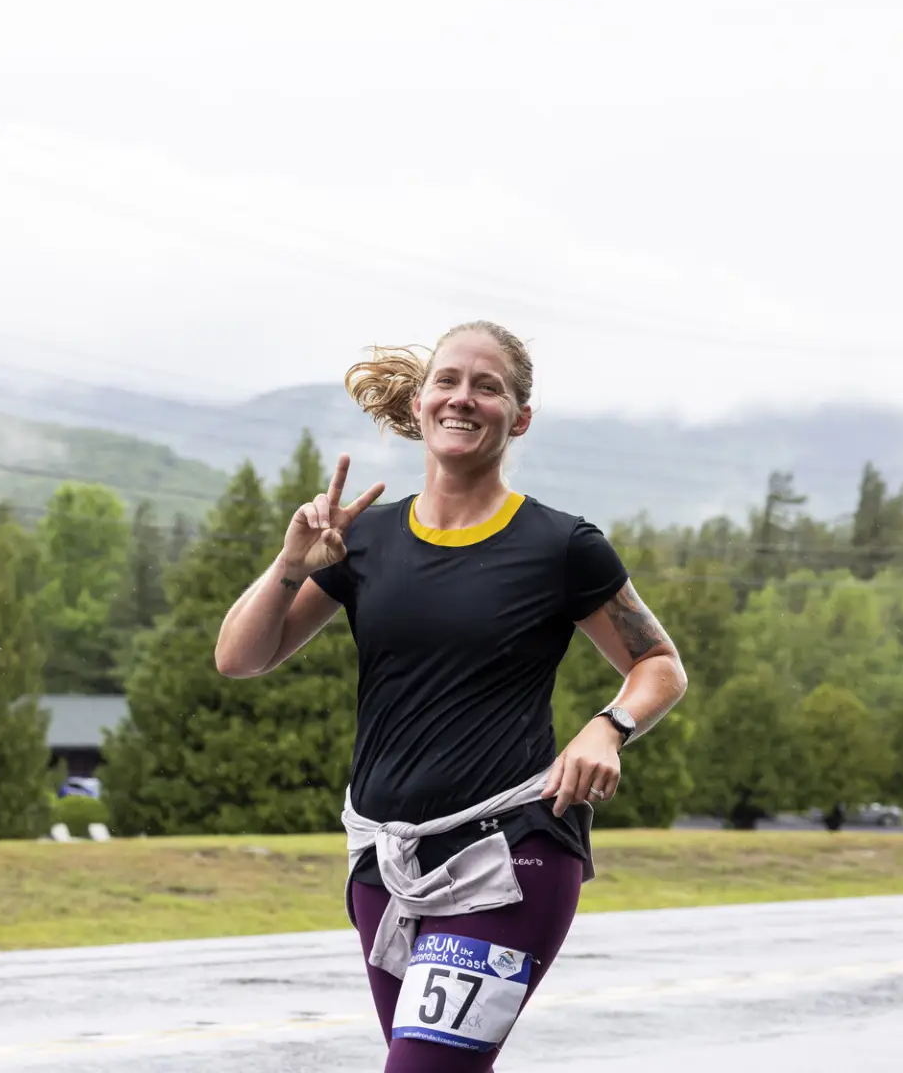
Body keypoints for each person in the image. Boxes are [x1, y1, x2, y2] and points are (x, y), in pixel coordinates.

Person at [214, 320, 688, 1071]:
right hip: (383, 862)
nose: (463, 398)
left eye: (487, 386)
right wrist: (289, 566)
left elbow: (659, 663)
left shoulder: (560, 546)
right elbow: (241, 658)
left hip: (509, 857)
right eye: (448, 381)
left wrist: (607, 727)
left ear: (520, 417)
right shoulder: (362, 540)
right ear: (421, 400)